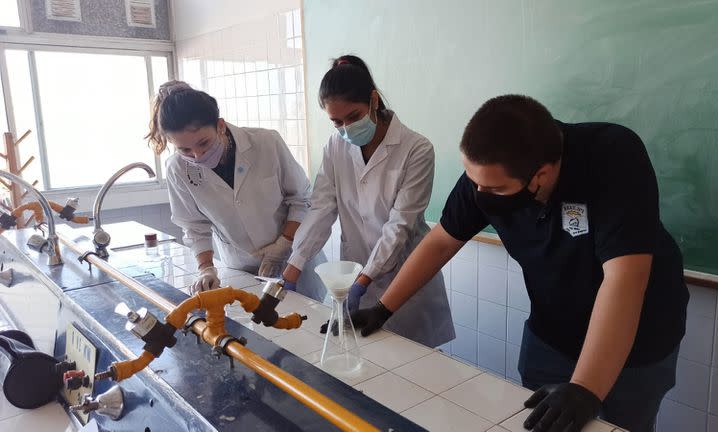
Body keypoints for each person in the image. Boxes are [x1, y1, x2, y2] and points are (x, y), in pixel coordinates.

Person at [352, 94, 689, 432]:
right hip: (552, 333)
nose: (480, 194)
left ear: (540, 175)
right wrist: (382, 309)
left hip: (636, 341)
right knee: (537, 422)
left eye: (495, 189)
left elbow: (624, 278)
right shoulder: (487, 171)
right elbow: (441, 242)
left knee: (621, 426)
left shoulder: (612, 155)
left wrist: (586, 389)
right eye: (475, 183)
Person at [281, 55, 454, 348]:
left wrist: (363, 281)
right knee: (359, 369)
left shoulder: (416, 148)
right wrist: (294, 265)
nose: (346, 129)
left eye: (353, 117)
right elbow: (322, 208)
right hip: (355, 275)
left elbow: (399, 225)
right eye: (336, 122)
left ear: (373, 100)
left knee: (410, 374)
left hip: (404, 282)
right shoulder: (335, 146)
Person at [147, 80, 325, 300]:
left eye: (204, 143)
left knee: (306, 323)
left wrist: (283, 245)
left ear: (220, 126)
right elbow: (194, 226)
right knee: (256, 328)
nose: (197, 156)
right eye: (184, 149)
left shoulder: (266, 142)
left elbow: (301, 199)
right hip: (241, 267)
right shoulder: (177, 169)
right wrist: (206, 268)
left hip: (295, 259)